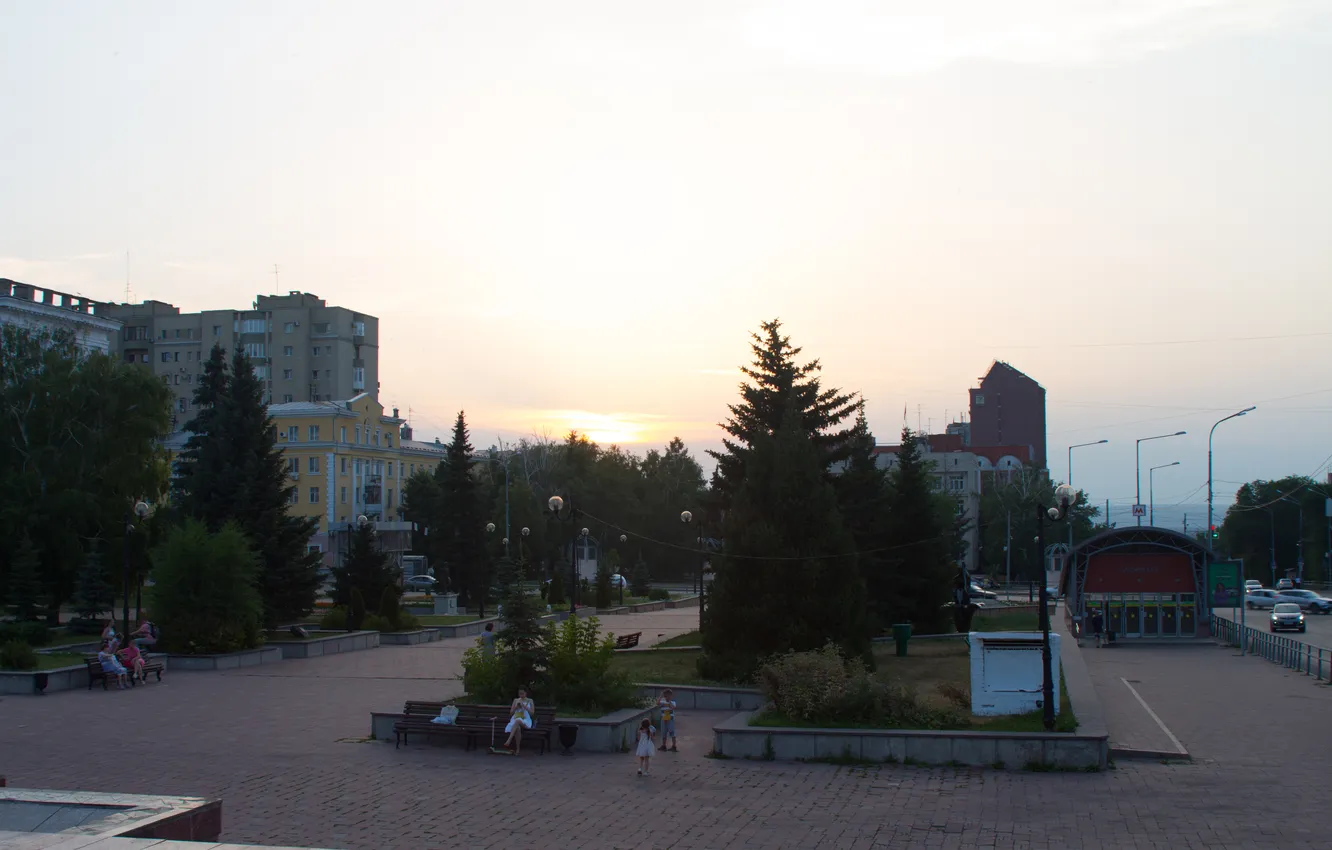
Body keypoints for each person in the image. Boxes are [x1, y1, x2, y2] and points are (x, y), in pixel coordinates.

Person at [503, 688, 535, 753]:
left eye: (522, 693)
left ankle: (509, 740)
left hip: (525, 720)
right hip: (515, 718)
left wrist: (524, 706)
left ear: (526, 693)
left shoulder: (530, 700)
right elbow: (511, 713)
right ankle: (518, 749)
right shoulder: (516, 700)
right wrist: (516, 707)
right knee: (517, 727)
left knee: (518, 721)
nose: (521, 695)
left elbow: (532, 713)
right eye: (520, 694)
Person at [657, 688, 678, 752]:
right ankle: (664, 745)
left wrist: (669, 701)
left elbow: (673, 707)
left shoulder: (673, 702)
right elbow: (657, 703)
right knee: (663, 732)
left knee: (672, 732)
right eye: (665, 696)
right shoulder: (662, 702)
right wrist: (660, 696)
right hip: (664, 719)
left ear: (671, 696)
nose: (667, 697)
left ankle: (674, 746)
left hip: (670, 719)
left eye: (668, 696)